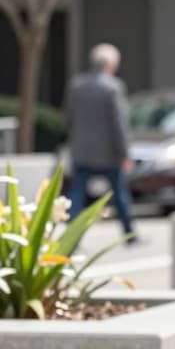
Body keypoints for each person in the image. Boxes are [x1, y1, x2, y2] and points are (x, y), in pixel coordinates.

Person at [63, 42, 141, 242]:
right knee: (119, 195)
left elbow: (68, 118)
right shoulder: (113, 87)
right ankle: (129, 234)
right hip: (109, 153)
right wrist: (125, 154)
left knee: (77, 195)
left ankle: (70, 238)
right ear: (111, 64)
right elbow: (119, 124)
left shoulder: (76, 85)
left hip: (81, 151)